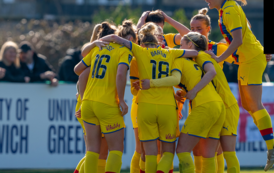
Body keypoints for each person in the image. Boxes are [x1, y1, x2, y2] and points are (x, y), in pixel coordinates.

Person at [203, 0, 274, 171]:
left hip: (251, 60)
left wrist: (221, 58)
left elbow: (238, 40)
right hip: (249, 58)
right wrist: (259, 48)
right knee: (247, 104)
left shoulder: (228, 10)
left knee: (254, 104)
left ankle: (272, 146)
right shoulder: (227, 9)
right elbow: (244, 32)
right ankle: (273, 141)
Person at [100, 22, 198, 173]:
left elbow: (114, 37)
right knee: (167, 153)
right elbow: (194, 53)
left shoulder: (140, 52)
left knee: (148, 154)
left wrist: (96, 43)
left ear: (143, 43)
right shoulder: (170, 53)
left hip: (146, 107)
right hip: (167, 108)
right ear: (158, 42)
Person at [140, 32, 226, 173]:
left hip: (204, 105)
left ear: (190, 45)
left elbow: (175, 79)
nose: (180, 48)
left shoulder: (179, 60)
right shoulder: (196, 60)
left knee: (181, 150)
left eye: (181, 45)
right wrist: (184, 93)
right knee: (209, 154)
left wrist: (152, 83)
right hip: (218, 105)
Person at [74, 22, 132, 173]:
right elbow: (120, 75)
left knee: (92, 150)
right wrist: (122, 100)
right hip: (107, 104)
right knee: (116, 149)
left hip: (87, 104)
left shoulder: (98, 48)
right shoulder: (124, 51)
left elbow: (78, 70)